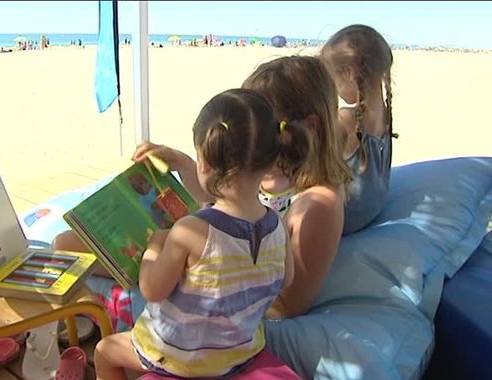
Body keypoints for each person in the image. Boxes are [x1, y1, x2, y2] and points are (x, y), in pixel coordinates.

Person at [94, 88, 301, 380]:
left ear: (203, 162)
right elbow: (288, 278)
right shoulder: (277, 225)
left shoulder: (188, 231)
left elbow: (151, 289)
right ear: (271, 158)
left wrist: (156, 245)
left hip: (181, 357)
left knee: (105, 352)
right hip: (241, 349)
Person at [132, 56, 352, 319]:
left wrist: (189, 290)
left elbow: (288, 305)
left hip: (209, 299)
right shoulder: (267, 168)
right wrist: (186, 165)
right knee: (74, 243)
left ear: (308, 127)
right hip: (198, 259)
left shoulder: (317, 205)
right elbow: (222, 198)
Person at [319, 24, 397, 234]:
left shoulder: (346, 119)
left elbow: (310, 166)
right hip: (371, 210)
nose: (333, 88)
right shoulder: (386, 113)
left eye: (333, 79)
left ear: (350, 73)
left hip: (344, 221)